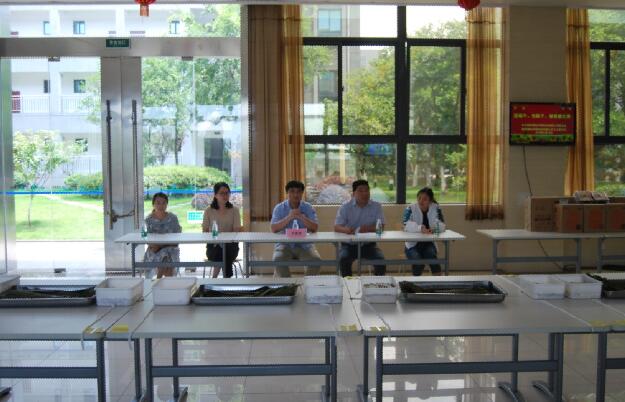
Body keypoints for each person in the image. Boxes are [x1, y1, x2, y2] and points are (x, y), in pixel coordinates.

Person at [334, 180, 386, 277]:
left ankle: (377, 284)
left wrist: (367, 229)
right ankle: (348, 284)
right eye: (361, 191)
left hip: (369, 245)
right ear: (353, 194)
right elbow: (337, 227)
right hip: (349, 245)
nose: (364, 193)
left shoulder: (376, 206)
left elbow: (381, 227)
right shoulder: (345, 207)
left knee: (381, 261)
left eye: (367, 190)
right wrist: (347, 230)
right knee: (343, 260)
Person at [270, 180, 321, 277]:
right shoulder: (279, 208)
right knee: (278, 259)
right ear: (287, 193)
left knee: (316, 260)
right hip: (284, 245)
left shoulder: (308, 207)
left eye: (298, 192)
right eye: (292, 191)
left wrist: (301, 216)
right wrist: (289, 217)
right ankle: (289, 284)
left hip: (305, 245)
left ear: (302, 193)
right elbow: (274, 228)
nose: (295, 194)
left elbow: (315, 228)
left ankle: (307, 284)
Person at [403, 187, 446, 276]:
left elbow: (442, 225)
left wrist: (434, 228)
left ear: (430, 201)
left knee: (432, 258)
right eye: (419, 198)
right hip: (412, 244)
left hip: (428, 243)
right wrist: (420, 228)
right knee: (418, 262)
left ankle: (439, 282)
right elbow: (405, 224)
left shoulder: (436, 207)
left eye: (425, 199)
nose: (421, 201)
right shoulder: (410, 208)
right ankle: (416, 282)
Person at [202, 182, 242, 278]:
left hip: (231, 246)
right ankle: (227, 279)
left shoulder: (235, 210)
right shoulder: (208, 210)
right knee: (221, 252)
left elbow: (236, 231)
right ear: (215, 195)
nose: (225, 195)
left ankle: (214, 278)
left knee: (225, 250)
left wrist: (224, 241)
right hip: (213, 246)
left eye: (227, 193)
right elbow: (205, 231)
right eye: (222, 193)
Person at [143, 192, 182, 278]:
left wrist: (161, 245)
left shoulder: (173, 218)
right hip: (154, 250)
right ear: (153, 204)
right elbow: (148, 240)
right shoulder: (148, 220)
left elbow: (177, 239)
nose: (161, 205)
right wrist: (157, 246)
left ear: (167, 204)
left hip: (171, 248)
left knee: (166, 259)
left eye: (164, 203)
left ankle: (158, 280)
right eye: (158, 203)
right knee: (163, 259)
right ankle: (161, 282)